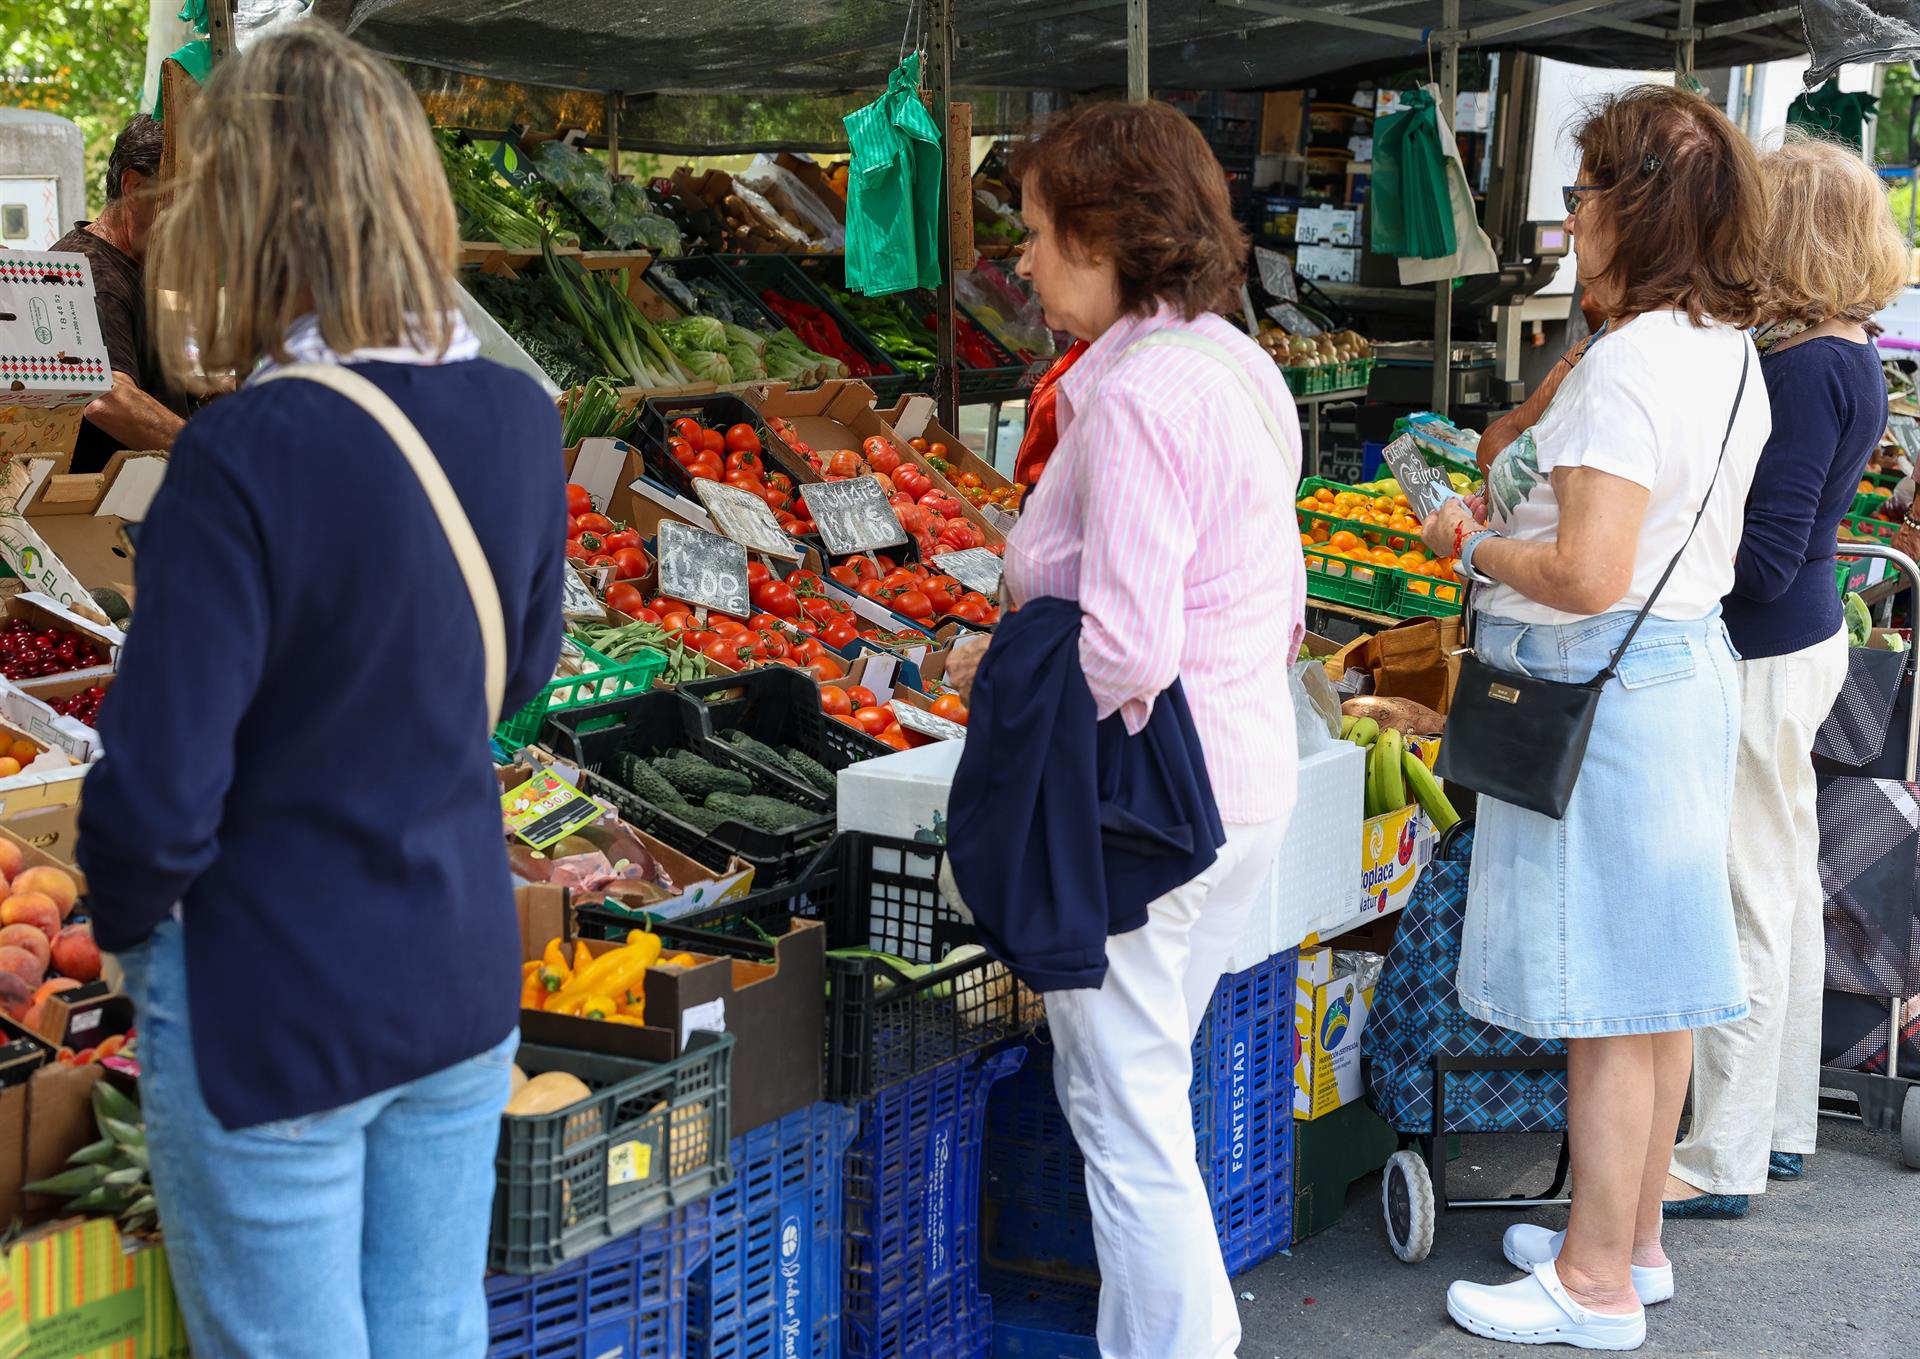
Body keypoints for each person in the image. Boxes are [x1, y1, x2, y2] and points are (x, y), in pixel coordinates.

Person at [77, 25, 564, 1359]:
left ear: (236, 212)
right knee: (428, 1333)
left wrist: (125, 928)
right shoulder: (523, 418)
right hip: (456, 971)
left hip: (272, 990)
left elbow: (155, 797)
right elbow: (519, 672)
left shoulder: (244, 449)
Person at [946, 100, 1305, 1359]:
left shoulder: (1146, 395)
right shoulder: (1231, 361)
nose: (1024, 260)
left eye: (1039, 232)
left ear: (1108, 233)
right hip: (1238, 776)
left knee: (1124, 1115)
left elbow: (1130, 647)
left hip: (1148, 800)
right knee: (1143, 1100)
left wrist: (1014, 675)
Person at [1420, 86, 1770, 1351]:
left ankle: (1594, 1286)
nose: (1569, 221)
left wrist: (1472, 544)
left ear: (1637, 207)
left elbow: (1584, 571)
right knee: (1660, 988)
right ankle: (1630, 1242)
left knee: (1613, 999)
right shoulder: (1719, 343)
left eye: (1581, 195)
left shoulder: (1627, 367)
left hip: (1609, 691)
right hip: (1679, 675)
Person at [1665, 133, 1907, 1216]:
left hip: (1763, 651)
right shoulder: (1847, 352)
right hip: (1801, 642)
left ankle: (1720, 1156)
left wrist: (1663, 554)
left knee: (1746, 899)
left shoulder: (1804, 370)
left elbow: (1763, 554)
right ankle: (1779, 1128)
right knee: (1783, 892)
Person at [49, 115, 189, 471]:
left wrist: (202, 387)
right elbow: (108, 396)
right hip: (106, 515)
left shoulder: (127, 264)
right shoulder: (91, 272)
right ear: (134, 186)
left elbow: (138, 368)